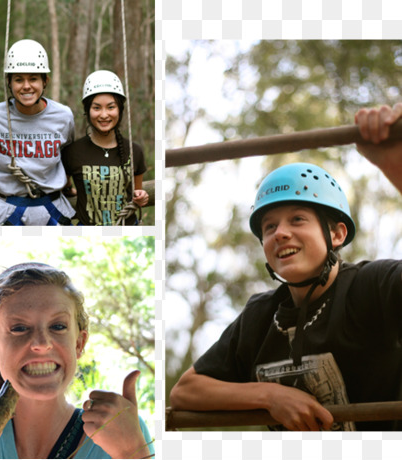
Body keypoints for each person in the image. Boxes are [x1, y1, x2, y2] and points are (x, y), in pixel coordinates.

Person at [169, 103, 402, 431]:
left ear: (336, 233)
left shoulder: (372, 287)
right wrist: (270, 396)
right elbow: (185, 391)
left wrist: (395, 165)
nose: (280, 233)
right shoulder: (262, 316)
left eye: (298, 219)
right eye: (269, 227)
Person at [0, 263, 153, 458]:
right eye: (19, 328)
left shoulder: (122, 433)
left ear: (78, 344)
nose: (42, 343)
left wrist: (132, 452)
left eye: (58, 327)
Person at [0, 39, 76, 226]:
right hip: (10, 210)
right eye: (19, 79)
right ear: (9, 82)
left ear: (45, 81)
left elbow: (67, 155)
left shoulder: (63, 116)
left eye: (33, 78)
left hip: (53, 206)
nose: (26, 86)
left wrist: (67, 185)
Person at [62, 70, 148, 225]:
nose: (104, 115)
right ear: (87, 110)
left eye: (110, 107)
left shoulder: (135, 151)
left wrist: (141, 197)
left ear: (120, 109)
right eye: (96, 108)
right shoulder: (72, 152)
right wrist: (69, 190)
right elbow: (62, 185)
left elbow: (137, 192)